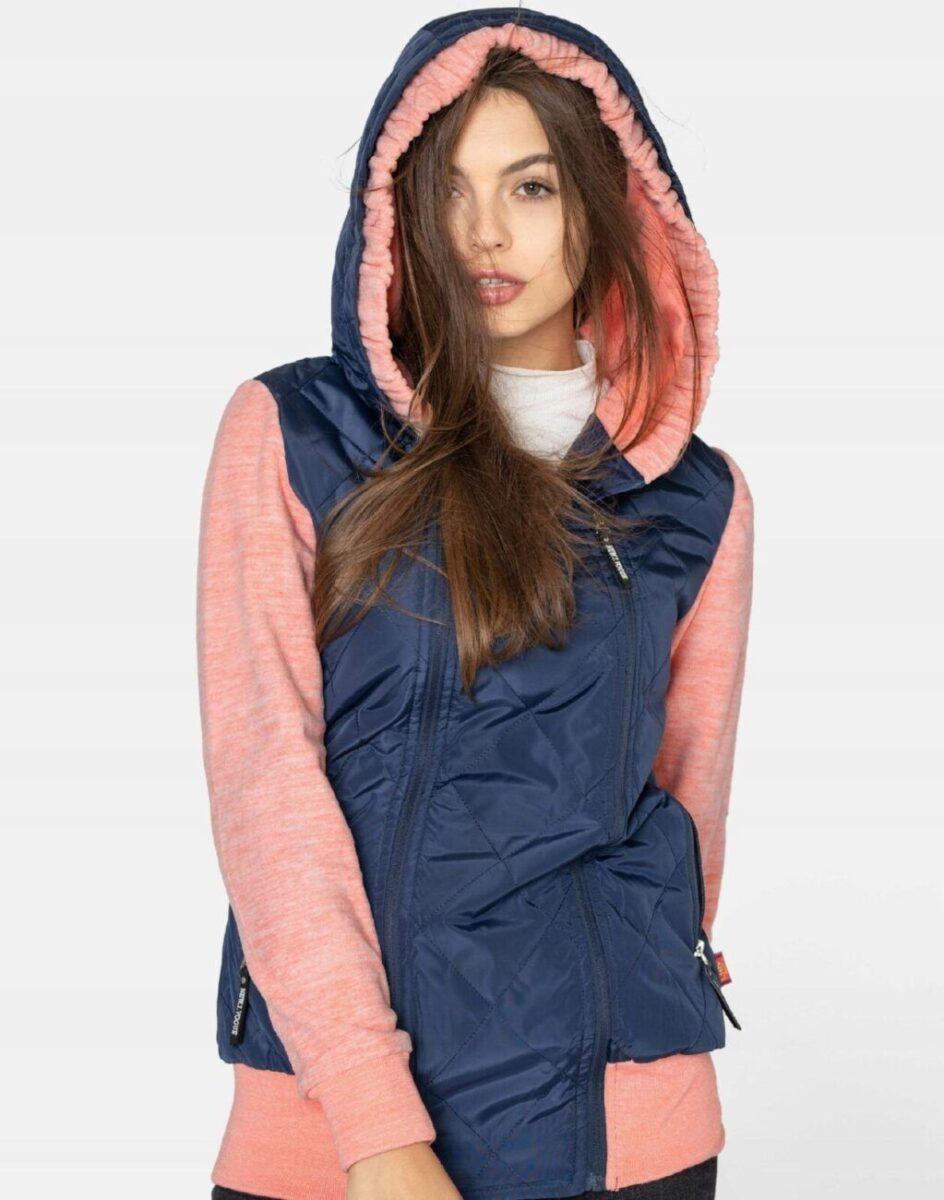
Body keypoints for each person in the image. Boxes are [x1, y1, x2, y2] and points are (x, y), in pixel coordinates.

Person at [196, 9, 754, 1200]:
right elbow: (265, 787)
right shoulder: (296, 437)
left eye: (531, 187)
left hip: (621, 1123)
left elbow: (684, 810)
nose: (484, 232)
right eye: (447, 189)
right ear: (395, 214)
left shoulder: (696, 498)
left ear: (604, 208)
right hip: (334, 1129)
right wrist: (374, 1124)